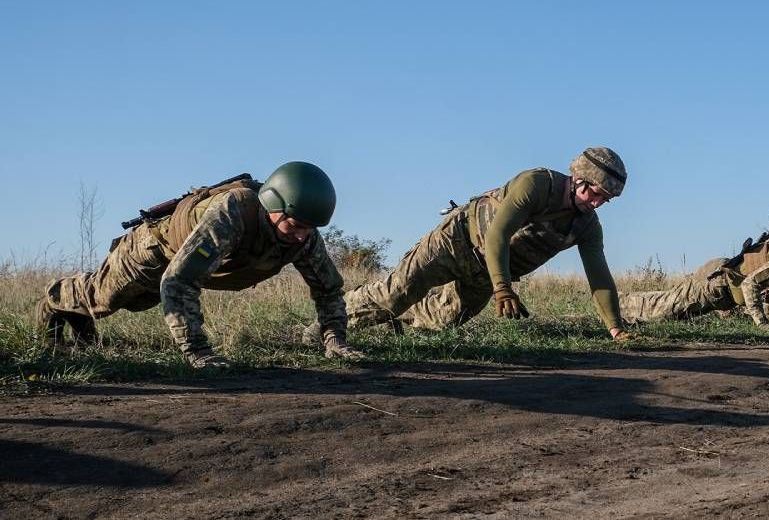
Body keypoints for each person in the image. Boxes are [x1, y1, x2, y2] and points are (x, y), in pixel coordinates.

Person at [34, 162, 360, 368]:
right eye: (296, 225)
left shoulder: (304, 237)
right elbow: (178, 281)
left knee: (135, 304)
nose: (302, 236)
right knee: (102, 299)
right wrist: (198, 351)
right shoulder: (233, 213)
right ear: (273, 207)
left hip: (185, 264)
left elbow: (328, 289)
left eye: (310, 228)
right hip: (153, 250)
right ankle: (52, 300)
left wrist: (335, 341)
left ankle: (80, 328)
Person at [324, 147, 634, 340]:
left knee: (440, 319)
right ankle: (323, 327)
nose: (596, 203)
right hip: (458, 240)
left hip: (487, 272)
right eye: (594, 193)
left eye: (605, 200)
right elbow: (498, 233)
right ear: (578, 178)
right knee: (396, 293)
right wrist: (503, 288)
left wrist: (616, 329)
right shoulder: (537, 184)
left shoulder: (586, 225)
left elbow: (599, 275)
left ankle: (392, 322)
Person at [618, 233, 769, 326]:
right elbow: (749, 283)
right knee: (662, 309)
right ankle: (614, 303)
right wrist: (761, 322)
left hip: (725, 296)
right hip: (716, 284)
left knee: (670, 313)